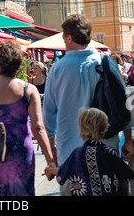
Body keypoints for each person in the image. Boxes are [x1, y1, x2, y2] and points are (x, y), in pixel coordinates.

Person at [42, 14, 133, 169]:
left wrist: (51, 150)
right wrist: (128, 140)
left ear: (69, 38)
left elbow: (49, 114)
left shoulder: (57, 69)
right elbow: (123, 104)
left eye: (64, 38)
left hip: (70, 151)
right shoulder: (107, 64)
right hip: (106, 147)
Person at [0, 40, 55, 196]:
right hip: (20, 152)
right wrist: (50, 161)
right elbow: (38, 127)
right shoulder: (29, 90)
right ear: (18, 64)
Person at [44, 108, 134, 196]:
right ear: (104, 128)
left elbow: (63, 172)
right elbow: (125, 176)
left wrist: (50, 171)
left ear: (81, 129)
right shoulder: (110, 153)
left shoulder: (77, 155)